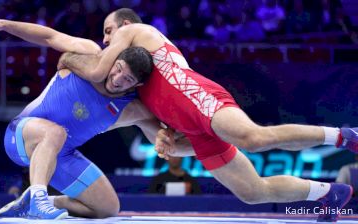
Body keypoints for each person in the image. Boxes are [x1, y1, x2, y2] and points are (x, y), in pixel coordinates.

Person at [58, 8, 357, 222]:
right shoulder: (134, 80)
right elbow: (161, 132)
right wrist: (164, 138)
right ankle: (328, 193)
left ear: (124, 24)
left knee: (253, 138)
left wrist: (68, 58)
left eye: (108, 31)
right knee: (252, 191)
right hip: (192, 127)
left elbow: (97, 69)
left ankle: (343, 135)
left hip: (199, 98)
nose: (107, 40)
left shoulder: (138, 32)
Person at [0, 15, 193, 219]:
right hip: (20, 136)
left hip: (60, 156)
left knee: (107, 208)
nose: (117, 80)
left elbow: (170, 142)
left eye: (127, 79)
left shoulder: (133, 109)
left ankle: (37, 201)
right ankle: (38, 198)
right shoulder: (89, 52)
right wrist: (3, 25)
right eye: (118, 70)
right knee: (55, 132)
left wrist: (213, 142)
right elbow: (49, 36)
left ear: (137, 84)